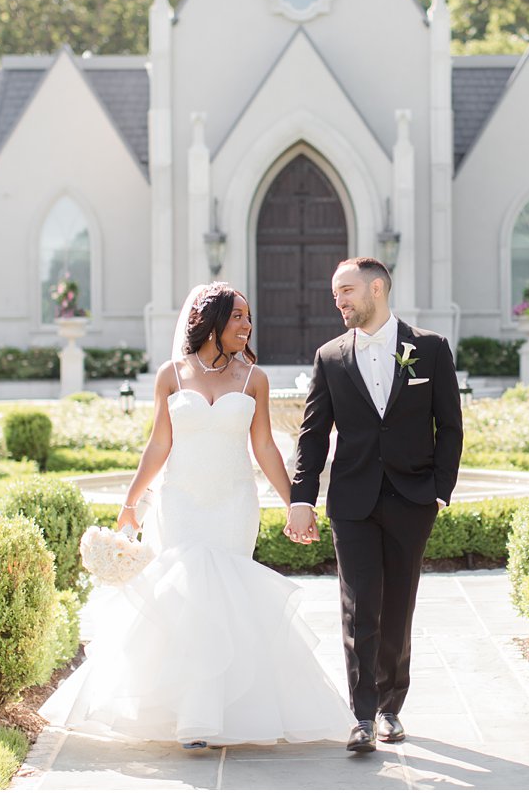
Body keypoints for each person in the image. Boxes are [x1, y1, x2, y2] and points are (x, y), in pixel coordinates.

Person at [38, 282, 354, 748]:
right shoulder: (172, 374)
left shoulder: (254, 378)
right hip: (182, 499)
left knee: (226, 596)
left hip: (233, 502)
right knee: (183, 598)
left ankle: (219, 714)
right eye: (238, 317)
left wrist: (295, 503)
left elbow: (264, 446)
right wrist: (130, 504)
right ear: (211, 322)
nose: (247, 326)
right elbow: (159, 444)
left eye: (248, 318)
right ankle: (190, 717)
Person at [285, 257, 464, 753]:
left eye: (346, 291)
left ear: (378, 288)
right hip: (353, 501)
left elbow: (449, 425)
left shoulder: (429, 349)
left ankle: (390, 707)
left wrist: (439, 488)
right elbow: (312, 434)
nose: (338, 301)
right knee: (359, 605)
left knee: (397, 606)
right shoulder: (330, 356)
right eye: (335, 294)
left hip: (412, 499)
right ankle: (362, 716)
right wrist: (302, 498)